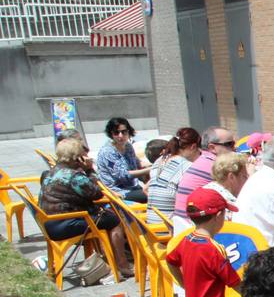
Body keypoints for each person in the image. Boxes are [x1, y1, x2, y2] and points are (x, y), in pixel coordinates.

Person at [39, 137, 133, 278]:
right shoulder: (74, 176)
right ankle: (123, 265)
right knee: (114, 221)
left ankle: (109, 258)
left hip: (50, 223)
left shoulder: (49, 172)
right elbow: (96, 193)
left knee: (104, 217)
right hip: (66, 224)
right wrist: (89, 170)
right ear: (77, 158)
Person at [166, 187, 241, 297]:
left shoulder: (187, 240)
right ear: (219, 216)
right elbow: (235, 284)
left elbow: (170, 261)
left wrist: (183, 284)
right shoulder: (214, 249)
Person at [174, 127, 236, 232]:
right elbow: (239, 194)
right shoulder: (216, 166)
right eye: (229, 144)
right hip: (197, 229)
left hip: (183, 227)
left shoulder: (201, 161)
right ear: (212, 147)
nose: (235, 148)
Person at [146, 128, 202, 219]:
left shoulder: (160, 159)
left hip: (152, 223)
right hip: (168, 227)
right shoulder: (186, 166)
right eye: (199, 152)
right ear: (193, 147)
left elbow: (146, 189)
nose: (200, 155)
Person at [95, 116, 150, 203]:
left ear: (129, 132)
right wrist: (149, 170)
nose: (120, 136)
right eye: (116, 132)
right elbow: (123, 176)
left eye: (124, 132)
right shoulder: (108, 151)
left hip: (133, 187)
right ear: (111, 134)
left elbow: (137, 165)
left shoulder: (128, 146)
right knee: (155, 194)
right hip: (118, 192)